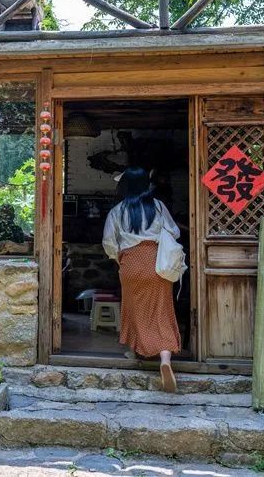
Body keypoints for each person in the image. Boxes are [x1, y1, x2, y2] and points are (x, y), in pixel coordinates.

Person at [102, 166, 182, 393]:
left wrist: (119, 259)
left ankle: (135, 350)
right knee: (161, 310)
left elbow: (109, 243)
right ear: (146, 185)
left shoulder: (117, 211)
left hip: (131, 264)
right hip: (158, 263)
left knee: (134, 308)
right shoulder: (157, 206)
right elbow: (174, 232)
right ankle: (165, 359)